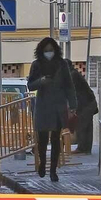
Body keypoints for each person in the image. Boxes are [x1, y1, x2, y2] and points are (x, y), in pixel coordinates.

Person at [26, 37, 76, 181]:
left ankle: (53, 170)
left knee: (56, 139)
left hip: (58, 106)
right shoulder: (36, 65)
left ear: (56, 50)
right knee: (42, 139)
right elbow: (30, 85)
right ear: (41, 51)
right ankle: (42, 163)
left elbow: (69, 86)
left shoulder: (62, 64)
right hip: (43, 106)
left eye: (51, 50)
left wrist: (73, 105)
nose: (49, 53)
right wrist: (41, 81)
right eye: (46, 50)